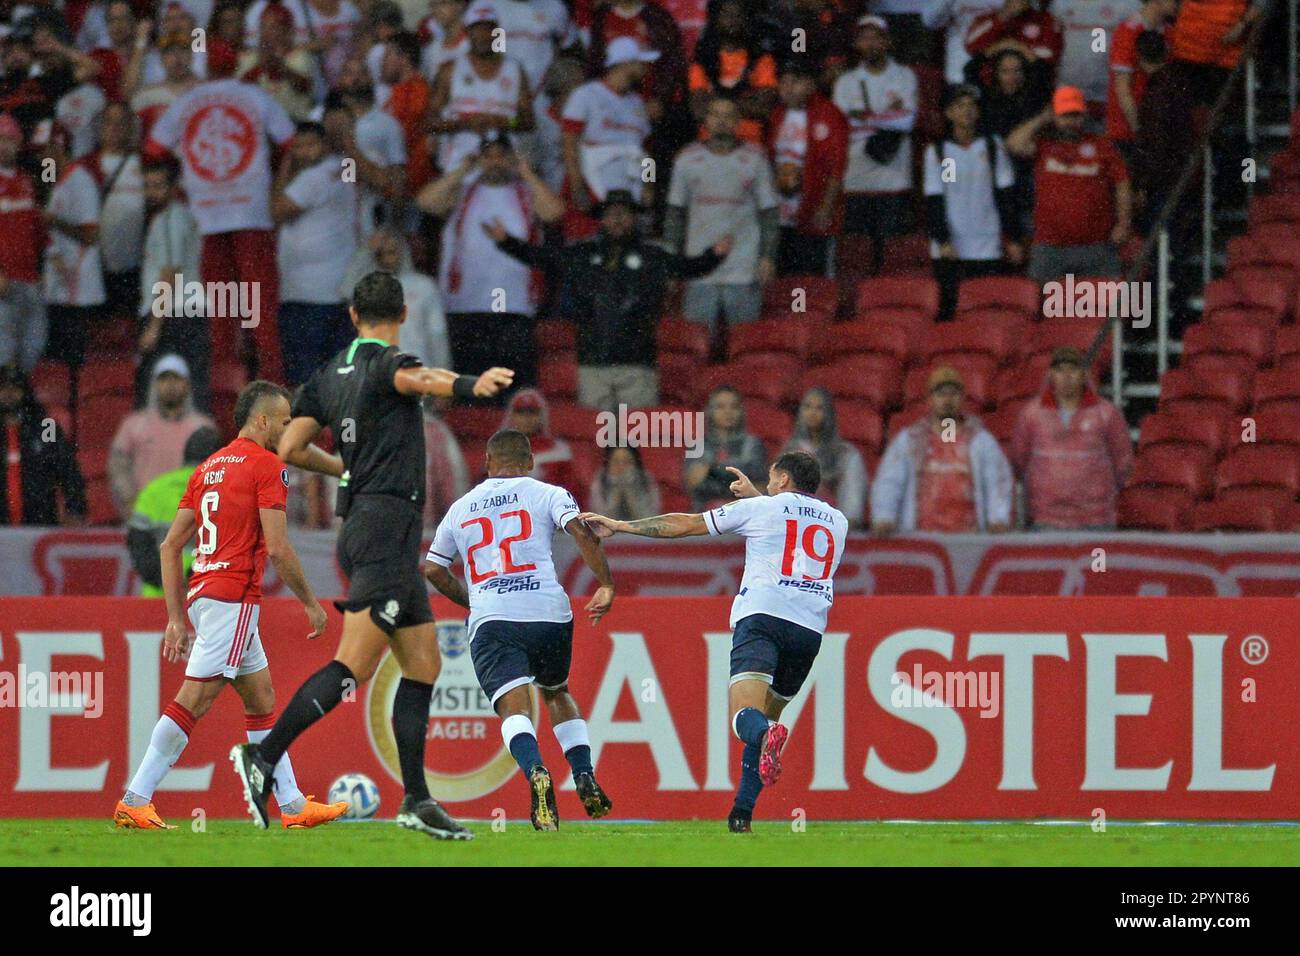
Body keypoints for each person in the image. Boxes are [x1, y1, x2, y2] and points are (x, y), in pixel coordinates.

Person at [230, 270, 513, 839]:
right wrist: (466, 385)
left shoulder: (327, 374)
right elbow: (418, 379)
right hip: (384, 527)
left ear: (354, 316)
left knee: (425, 662)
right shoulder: (388, 361)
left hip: (376, 529)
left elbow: (288, 447)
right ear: (403, 314)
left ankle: (416, 799)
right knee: (353, 666)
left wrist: (342, 468)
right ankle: (263, 757)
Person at [114, 380, 348, 831]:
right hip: (233, 596)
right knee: (195, 699)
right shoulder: (267, 466)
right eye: (283, 421)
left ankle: (294, 805)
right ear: (261, 420)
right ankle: (135, 797)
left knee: (261, 697)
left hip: (204, 592)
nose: (288, 429)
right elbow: (278, 548)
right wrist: (311, 604)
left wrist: (176, 619)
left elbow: (168, 546)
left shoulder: (208, 467)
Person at [579, 451, 848, 832]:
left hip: (763, 617)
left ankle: (764, 742)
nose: (768, 487)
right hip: (808, 629)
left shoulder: (762, 510)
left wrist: (621, 526)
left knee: (746, 720)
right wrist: (759, 497)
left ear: (784, 480)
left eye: (772, 480)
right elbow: (790, 525)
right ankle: (742, 813)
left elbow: (686, 524)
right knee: (767, 717)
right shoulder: (837, 521)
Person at [424, 428, 616, 830]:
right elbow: (581, 530)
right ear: (529, 462)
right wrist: (606, 583)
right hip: (548, 611)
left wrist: (473, 600)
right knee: (556, 691)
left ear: (487, 465)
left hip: (494, 617)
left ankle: (535, 772)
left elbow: (432, 568)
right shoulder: (549, 492)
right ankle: (583, 773)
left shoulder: (461, 507)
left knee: (514, 706)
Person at [486, 187, 729, 411]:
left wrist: (714, 256)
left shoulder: (653, 256)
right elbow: (542, 258)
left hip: (638, 364)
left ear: (634, 219)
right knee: (597, 436)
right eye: (611, 214)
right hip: (593, 363)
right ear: (602, 219)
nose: (618, 219)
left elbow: (688, 267)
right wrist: (507, 242)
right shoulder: (582, 254)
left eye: (624, 214)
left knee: (637, 438)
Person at [145, 46, 294, 381]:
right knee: (259, 307)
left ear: (205, 64)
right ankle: (273, 382)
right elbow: (289, 142)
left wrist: (189, 173)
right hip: (252, 213)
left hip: (209, 216)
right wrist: (275, 186)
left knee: (223, 311)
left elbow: (152, 147)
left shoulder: (187, 101)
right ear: (237, 63)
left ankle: (226, 387)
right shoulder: (255, 96)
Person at [418, 133, 564, 388]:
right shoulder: (462, 191)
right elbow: (425, 202)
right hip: (465, 305)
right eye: (488, 156)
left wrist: (526, 173)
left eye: (501, 155)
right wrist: (462, 169)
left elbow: (554, 213)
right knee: (470, 393)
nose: (495, 162)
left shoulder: (526, 193)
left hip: (515, 307)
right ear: (479, 158)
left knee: (513, 389)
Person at [666, 96, 779, 343]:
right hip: (699, 269)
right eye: (716, 114)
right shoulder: (685, 159)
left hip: (743, 268)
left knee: (744, 344)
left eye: (729, 115)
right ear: (706, 120)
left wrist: (768, 257)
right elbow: (675, 215)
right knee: (697, 344)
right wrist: (673, 262)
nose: (722, 121)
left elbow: (769, 213)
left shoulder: (756, 158)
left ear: (738, 121)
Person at [1006, 85, 1132, 282]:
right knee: (1040, 306)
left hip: (1097, 245)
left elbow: (1122, 184)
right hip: (1049, 246)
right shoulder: (1043, 144)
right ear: (1054, 117)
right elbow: (1014, 144)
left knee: (1106, 308)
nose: (1071, 122)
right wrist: (1042, 118)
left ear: (1084, 116)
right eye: (1065, 116)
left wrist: (1123, 223)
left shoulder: (1103, 146)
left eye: (1075, 115)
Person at [870, 365, 1013, 534]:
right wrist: (884, 517)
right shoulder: (909, 440)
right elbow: (889, 481)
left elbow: (997, 481)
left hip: (969, 538)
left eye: (953, 394)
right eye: (941, 394)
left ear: (962, 399)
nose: (947, 400)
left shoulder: (981, 441)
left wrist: (998, 519)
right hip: (921, 538)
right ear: (929, 399)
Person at [924, 84, 1022, 322]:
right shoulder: (940, 152)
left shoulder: (992, 147)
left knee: (985, 310)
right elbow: (936, 198)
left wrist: (1013, 238)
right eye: (960, 106)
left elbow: (1006, 195)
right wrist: (943, 240)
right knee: (950, 310)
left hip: (987, 244)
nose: (966, 111)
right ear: (949, 113)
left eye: (971, 106)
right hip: (952, 249)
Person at [1010, 346, 1134, 530]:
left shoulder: (1106, 413)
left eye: (1073, 370)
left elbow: (1123, 463)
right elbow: (1018, 461)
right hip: (1046, 519)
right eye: (1060, 371)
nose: (1067, 376)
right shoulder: (1031, 414)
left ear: (1084, 374)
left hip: (1096, 519)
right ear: (1051, 375)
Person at [273, 120, 358, 386]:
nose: (304, 152)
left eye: (311, 145)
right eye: (298, 147)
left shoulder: (313, 177)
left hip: (308, 297)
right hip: (335, 290)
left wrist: (286, 167)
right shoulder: (342, 169)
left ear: (325, 145)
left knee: (306, 383)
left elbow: (276, 210)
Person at [833, 16, 918, 276]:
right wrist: (886, 116)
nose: (871, 43)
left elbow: (907, 121)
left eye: (876, 37)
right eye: (864, 37)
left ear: (887, 41)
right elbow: (843, 126)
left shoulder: (905, 76)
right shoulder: (845, 82)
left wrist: (864, 117)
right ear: (857, 43)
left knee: (893, 259)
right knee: (856, 258)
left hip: (894, 179)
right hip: (856, 180)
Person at [426, 3, 534, 174]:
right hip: (459, 167)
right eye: (476, 30)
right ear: (467, 32)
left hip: (504, 168)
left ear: (496, 33)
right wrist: (464, 124)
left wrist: (503, 122)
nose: (482, 35)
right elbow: (430, 122)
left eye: (487, 30)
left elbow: (528, 120)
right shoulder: (450, 70)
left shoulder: (514, 70)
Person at [135, 159, 207, 410]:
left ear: (173, 187)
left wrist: (154, 325)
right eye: (147, 186)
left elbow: (170, 272)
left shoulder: (170, 219)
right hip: (184, 312)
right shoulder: (178, 216)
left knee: (156, 389)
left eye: (158, 185)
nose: (151, 192)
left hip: (173, 315)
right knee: (192, 386)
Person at [109, 353, 216, 519]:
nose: (170, 384)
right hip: (144, 516)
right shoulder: (133, 425)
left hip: (190, 521)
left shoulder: (203, 428)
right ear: (154, 384)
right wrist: (132, 503)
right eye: (164, 378)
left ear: (187, 384)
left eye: (176, 378)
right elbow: (118, 468)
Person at [768, 58, 848, 277]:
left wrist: (826, 207)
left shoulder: (829, 114)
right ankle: (792, 311)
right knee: (784, 276)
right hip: (782, 210)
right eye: (783, 82)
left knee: (813, 279)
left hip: (813, 209)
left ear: (811, 84)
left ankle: (806, 312)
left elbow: (836, 167)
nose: (788, 88)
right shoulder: (777, 114)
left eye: (795, 82)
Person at [561, 35, 657, 218]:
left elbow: (646, 150)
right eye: (640, 63)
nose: (645, 69)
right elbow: (568, 142)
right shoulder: (586, 95)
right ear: (626, 63)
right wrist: (576, 185)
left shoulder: (637, 102)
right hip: (593, 183)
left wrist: (649, 184)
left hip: (630, 189)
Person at [39, 118, 106, 373]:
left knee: (73, 366)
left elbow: (91, 235)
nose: (41, 158)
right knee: (59, 366)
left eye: (45, 151)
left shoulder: (81, 182)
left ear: (58, 148)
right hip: (61, 286)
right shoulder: (60, 182)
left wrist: (53, 222)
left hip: (76, 289)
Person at [127, 426, 223, 595]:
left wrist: (165, 579)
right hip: (206, 598)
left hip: (157, 599)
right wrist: (191, 578)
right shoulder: (222, 492)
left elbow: (138, 547)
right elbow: (226, 550)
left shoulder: (153, 490)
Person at [0, 362, 86, 526]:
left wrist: (75, 508)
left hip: (39, 523)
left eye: (14, 388)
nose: (8, 393)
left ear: (25, 391)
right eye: (3, 388)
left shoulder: (47, 426)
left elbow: (68, 470)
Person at [686, 0, 778, 146]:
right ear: (716, 19)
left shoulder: (762, 58)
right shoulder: (703, 59)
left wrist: (716, 104)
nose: (733, 20)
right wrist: (746, 103)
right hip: (709, 144)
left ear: (746, 19)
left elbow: (764, 109)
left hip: (750, 144)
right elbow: (698, 110)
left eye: (738, 15)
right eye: (727, 15)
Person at [1105, 0, 1178, 169]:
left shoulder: (1169, 33)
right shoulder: (1128, 31)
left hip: (1154, 126)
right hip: (1126, 130)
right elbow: (1122, 89)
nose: (1177, 3)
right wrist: (1139, 130)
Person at [783, 387, 868, 529]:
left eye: (819, 408)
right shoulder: (789, 451)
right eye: (807, 407)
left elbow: (852, 503)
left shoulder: (846, 453)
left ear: (829, 413)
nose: (812, 413)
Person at [0, 114, 46, 373]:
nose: (4, 146)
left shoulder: (27, 181)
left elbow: (36, 227)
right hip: (4, 283)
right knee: (3, 356)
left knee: (32, 348)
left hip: (30, 279)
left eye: (10, 140)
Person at [685, 384, 767, 511]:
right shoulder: (698, 445)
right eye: (720, 406)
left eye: (734, 406)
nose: (728, 412)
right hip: (706, 512)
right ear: (709, 411)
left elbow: (760, 486)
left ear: (742, 411)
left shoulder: (753, 443)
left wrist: (712, 469)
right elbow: (692, 484)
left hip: (744, 510)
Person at [500, 388, 574, 488]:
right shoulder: (499, 449)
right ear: (511, 415)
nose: (526, 418)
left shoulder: (558, 450)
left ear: (541, 416)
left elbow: (571, 490)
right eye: (521, 412)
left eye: (532, 412)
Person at [587, 443, 661, 521]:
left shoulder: (645, 480)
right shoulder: (601, 481)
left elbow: (651, 519)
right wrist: (616, 495)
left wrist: (630, 496)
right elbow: (598, 520)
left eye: (627, 462)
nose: (621, 467)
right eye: (616, 462)